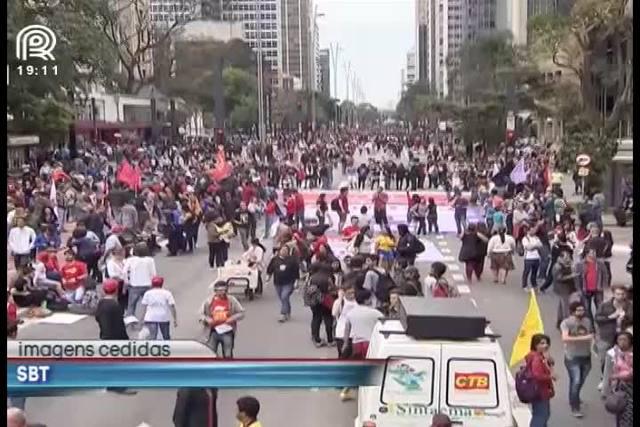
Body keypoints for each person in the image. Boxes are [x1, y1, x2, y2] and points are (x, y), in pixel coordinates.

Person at [341, 289, 383, 401]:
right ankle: (370, 395)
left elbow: (347, 330)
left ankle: (345, 391)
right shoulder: (376, 313)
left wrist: (345, 343)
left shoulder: (351, 313)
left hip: (357, 344)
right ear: (367, 300)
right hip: (372, 344)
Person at [595, 285, 633, 388]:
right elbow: (598, 318)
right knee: (604, 359)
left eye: (622, 294)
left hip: (623, 337)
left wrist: (625, 317)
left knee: (624, 359)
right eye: (618, 294)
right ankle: (604, 378)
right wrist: (611, 317)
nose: (620, 296)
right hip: (607, 336)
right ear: (613, 294)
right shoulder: (605, 305)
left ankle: (621, 379)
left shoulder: (629, 306)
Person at [560, 301, 593, 418]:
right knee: (576, 381)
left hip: (586, 355)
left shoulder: (587, 321)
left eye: (582, 310)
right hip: (572, 357)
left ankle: (574, 397)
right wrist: (585, 338)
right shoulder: (566, 323)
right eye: (578, 310)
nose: (581, 312)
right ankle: (575, 407)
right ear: (573, 312)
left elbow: (591, 335)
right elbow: (565, 338)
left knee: (580, 381)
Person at [201, 281, 245, 358]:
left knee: (228, 355)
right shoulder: (209, 301)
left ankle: (228, 369)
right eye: (220, 290)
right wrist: (207, 320)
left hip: (227, 332)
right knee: (210, 354)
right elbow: (201, 315)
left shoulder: (231, 300)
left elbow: (241, 313)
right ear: (215, 291)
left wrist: (232, 319)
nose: (222, 292)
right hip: (213, 332)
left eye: (224, 290)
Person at [601, 331, 633, 427]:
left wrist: (616, 376)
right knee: (619, 411)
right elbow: (607, 372)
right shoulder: (612, 353)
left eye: (625, 340)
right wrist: (605, 390)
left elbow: (630, 374)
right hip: (620, 389)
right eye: (620, 339)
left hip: (631, 388)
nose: (622, 342)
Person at [525, 334, 556, 427]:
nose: (545, 345)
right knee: (541, 415)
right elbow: (537, 375)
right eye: (542, 343)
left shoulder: (538, 356)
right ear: (535, 345)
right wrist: (550, 377)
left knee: (542, 414)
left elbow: (550, 364)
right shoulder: (536, 359)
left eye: (546, 343)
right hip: (540, 391)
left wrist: (548, 359)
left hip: (538, 391)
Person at [266, 246, 300, 323]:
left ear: (288, 252)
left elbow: (296, 271)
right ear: (280, 251)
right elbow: (270, 269)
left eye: (286, 250)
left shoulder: (292, 260)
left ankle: (283, 314)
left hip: (288, 282)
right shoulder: (275, 259)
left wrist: (296, 282)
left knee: (284, 296)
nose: (284, 251)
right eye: (282, 250)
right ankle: (288, 310)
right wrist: (268, 277)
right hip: (277, 282)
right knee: (282, 298)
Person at [574, 248, 609, 321]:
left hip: (598, 289)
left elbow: (605, 274)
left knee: (600, 307)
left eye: (594, 253)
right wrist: (578, 290)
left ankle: (599, 321)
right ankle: (590, 325)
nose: (593, 254)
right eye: (591, 253)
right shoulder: (580, 264)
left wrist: (604, 286)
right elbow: (577, 278)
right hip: (585, 289)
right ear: (586, 254)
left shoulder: (600, 264)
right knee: (586, 308)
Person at [123, 243, 157, 318]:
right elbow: (154, 274)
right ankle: (148, 320)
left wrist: (127, 282)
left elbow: (124, 271)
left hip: (134, 285)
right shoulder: (150, 260)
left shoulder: (130, 260)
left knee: (131, 306)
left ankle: (130, 322)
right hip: (147, 285)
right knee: (149, 305)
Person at [140, 276, 177, 340]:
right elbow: (172, 306)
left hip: (150, 318)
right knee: (166, 337)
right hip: (163, 318)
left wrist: (142, 318)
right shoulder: (167, 293)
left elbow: (144, 307)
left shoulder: (148, 294)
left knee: (152, 337)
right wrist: (175, 319)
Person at [552, 248, 577, 329]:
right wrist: (571, 276)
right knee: (566, 307)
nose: (568, 259)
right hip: (563, 289)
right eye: (566, 258)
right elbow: (559, 278)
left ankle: (559, 322)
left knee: (561, 306)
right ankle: (567, 325)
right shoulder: (558, 266)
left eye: (569, 257)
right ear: (561, 257)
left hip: (565, 288)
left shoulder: (564, 264)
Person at [332, 285, 357, 358]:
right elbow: (334, 313)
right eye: (349, 293)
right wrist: (340, 298)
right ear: (344, 293)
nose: (352, 295)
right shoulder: (340, 302)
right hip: (341, 333)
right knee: (343, 355)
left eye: (353, 293)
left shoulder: (357, 302)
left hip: (353, 334)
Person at [521, 224, 543, 291]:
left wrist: (533, 246)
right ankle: (524, 285)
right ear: (528, 231)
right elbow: (528, 247)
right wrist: (535, 246)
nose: (534, 231)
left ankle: (534, 285)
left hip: (536, 257)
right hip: (528, 258)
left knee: (534, 272)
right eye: (532, 230)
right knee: (526, 271)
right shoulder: (525, 238)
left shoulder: (536, 238)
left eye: (534, 230)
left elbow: (541, 245)